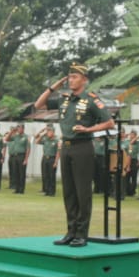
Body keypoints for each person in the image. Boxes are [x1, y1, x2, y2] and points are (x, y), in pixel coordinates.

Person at [33, 63, 114, 247]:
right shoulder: (65, 99)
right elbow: (38, 105)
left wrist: (88, 129)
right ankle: (70, 232)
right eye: (69, 77)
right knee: (69, 192)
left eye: (75, 77)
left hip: (82, 147)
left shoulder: (91, 99)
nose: (71, 80)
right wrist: (53, 87)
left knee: (82, 192)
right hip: (67, 147)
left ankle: (82, 234)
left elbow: (109, 123)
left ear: (84, 80)